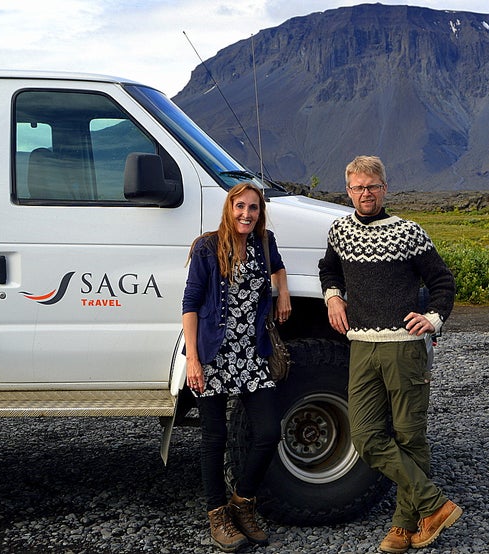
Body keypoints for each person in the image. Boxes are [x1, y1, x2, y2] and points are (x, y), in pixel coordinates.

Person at [318, 155, 460, 553]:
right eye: (358, 187)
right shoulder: (340, 232)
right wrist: (333, 298)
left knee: (410, 436)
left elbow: (442, 281)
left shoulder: (410, 233)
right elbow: (328, 269)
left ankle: (403, 525)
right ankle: (434, 503)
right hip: (362, 346)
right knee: (364, 436)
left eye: (372, 186)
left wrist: (432, 317)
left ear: (384, 188)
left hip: (404, 349)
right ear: (348, 191)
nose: (366, 193)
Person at [182, 181, 291, 552]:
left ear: (261, 213)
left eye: (254, 208)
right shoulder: (208, 247)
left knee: (268, 432)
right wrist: (193, 359)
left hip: (252, 355)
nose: (246, 214)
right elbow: (191, 304)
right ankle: (217, 515)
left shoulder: (264, 242)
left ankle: (242, 503)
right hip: (213, 356)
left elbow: (278, 268)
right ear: (229, 208)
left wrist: (284, 291)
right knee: (215, 438)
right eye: (240, 206)